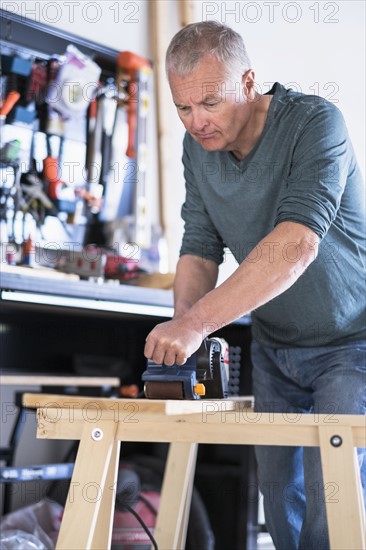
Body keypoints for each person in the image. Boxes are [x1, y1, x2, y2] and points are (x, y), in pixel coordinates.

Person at [144, 20, 365, 549]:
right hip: (274, 350)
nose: (196, 121)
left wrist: (196, 323)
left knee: (330, 510)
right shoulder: (198, 148)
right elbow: (199, 245)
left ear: (248, 82)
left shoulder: (315, 123)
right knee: (278, 508)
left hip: (350, 343)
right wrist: (183, 341)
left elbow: (297, 243)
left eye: (210, 103)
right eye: (183, 107)